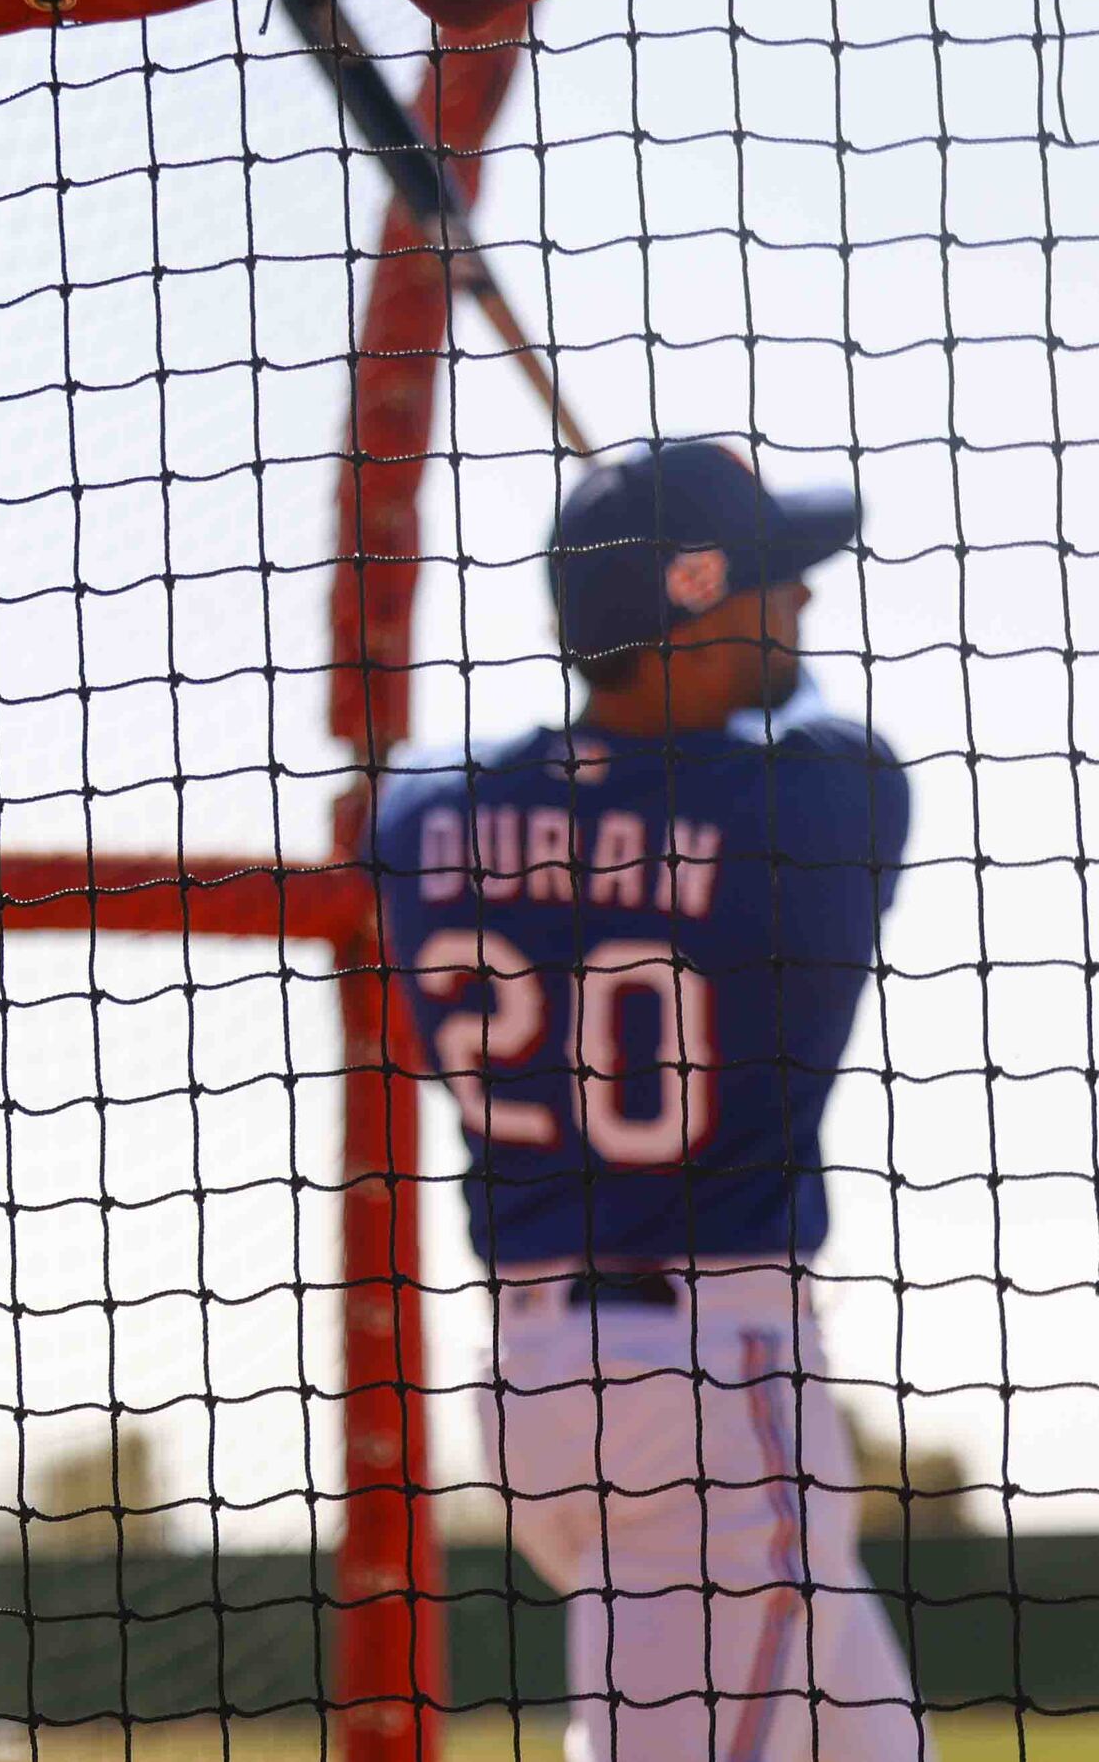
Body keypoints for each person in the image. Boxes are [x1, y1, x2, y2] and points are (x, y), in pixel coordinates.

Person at [368, 438, 918, 1762]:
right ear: (690, 602)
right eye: (775, 582)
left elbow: (568, 776)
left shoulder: (422, 816)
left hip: (542, 1382)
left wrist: (682, 623)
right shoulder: (821, 806)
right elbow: (821, 726)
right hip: (710, 1391)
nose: (803, 604)